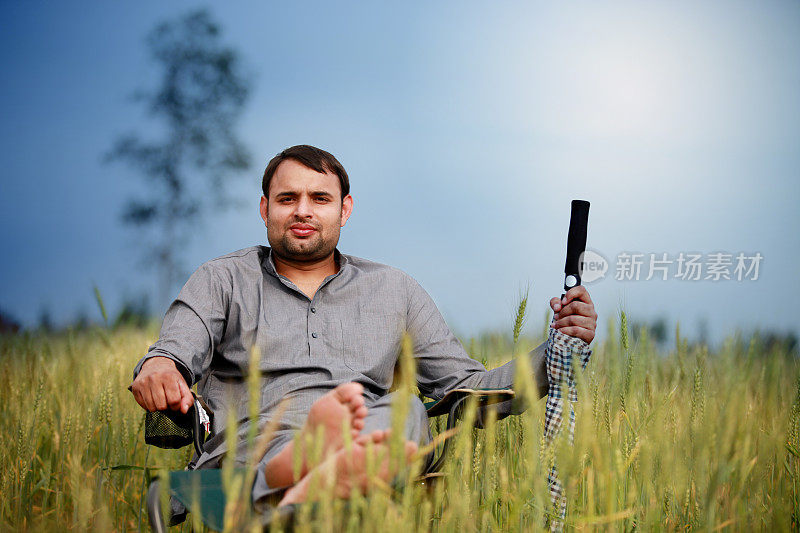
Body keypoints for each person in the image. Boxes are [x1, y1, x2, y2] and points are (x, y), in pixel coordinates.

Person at [129, 144, 597, 508]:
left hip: (364, 436)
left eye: (320, 199)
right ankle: (297, 468)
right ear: (264, 209)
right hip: (253, 445)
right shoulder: (223, 278)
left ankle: (321, 467)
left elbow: (470, 389)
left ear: (345, 209)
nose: (303, 211)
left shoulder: (394, 289)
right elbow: (174, 348)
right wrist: (161, 368)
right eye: (287, 199)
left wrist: (561, 345)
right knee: (306, 439)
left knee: (404, 411)